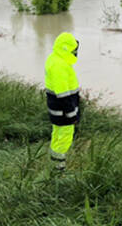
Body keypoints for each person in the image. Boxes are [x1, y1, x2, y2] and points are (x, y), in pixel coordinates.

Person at [45, 32, 80, 171]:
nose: (75, 52)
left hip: (57, 109)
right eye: (73, 49)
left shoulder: (56, 59)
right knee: (64, 137)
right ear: (66, 48)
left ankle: (52, 163)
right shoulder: (59, 65)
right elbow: (63, 95)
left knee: (57, 135)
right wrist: (72, 115)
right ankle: (58, 169)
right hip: (63, 110)